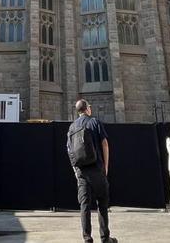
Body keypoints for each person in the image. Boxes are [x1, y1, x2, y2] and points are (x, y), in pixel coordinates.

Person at [67, 100, 115, 243]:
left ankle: (87, 238)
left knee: (85, 206)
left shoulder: (72, 127)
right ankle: (105, 238)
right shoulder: (95, 122)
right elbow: (105, 144)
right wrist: (106, 166)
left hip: (82, 172)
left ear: (78, 111)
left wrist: (76, 170)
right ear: (87, 109)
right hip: (97, 168)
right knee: (102, 204)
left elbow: (69, 151)